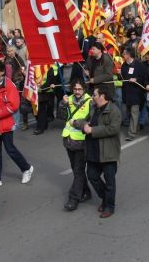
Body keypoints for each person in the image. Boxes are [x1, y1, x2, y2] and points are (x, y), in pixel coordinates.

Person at [0, 60, 34, 186]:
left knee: (10, 149)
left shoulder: (9, 86)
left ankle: (26, 168)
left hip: (5, 123)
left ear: (2, 72)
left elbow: (13, 106)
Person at [82, 87, 122, 218]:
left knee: (110, 181)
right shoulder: (94, 108)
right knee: (92, 175)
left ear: (102, 96)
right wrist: (83, 126)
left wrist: (92, 130)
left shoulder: (114, 111)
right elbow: (85, 120)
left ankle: (110, 207)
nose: (92, 97)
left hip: (108, 152)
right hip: (93, 150)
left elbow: (113, 129)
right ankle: (105, 198)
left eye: (94, 95)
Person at [61, 81, 93, 211]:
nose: (77, 91)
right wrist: (63, 105)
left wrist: (77, 123)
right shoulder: (67, 99)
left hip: (81, 141)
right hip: (68, 140)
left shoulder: (90, 102)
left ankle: (73, 198)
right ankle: (86, 192)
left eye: (80, 89)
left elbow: (92, 121)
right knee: (75, 169)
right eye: (75, 89)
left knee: (78, 170)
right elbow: (61, 116)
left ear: (84, 89)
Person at [119, 47, 149, 141]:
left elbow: (144, 77)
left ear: (129, 55)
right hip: (127, 93)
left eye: (124, 53)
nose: (123, 55)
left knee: (134, 112)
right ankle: (136, 126)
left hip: (136, 93)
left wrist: (136, 79)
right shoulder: (124, 65)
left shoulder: (139, 65)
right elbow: (123, 79)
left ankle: (132, 133)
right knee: (128, 112)